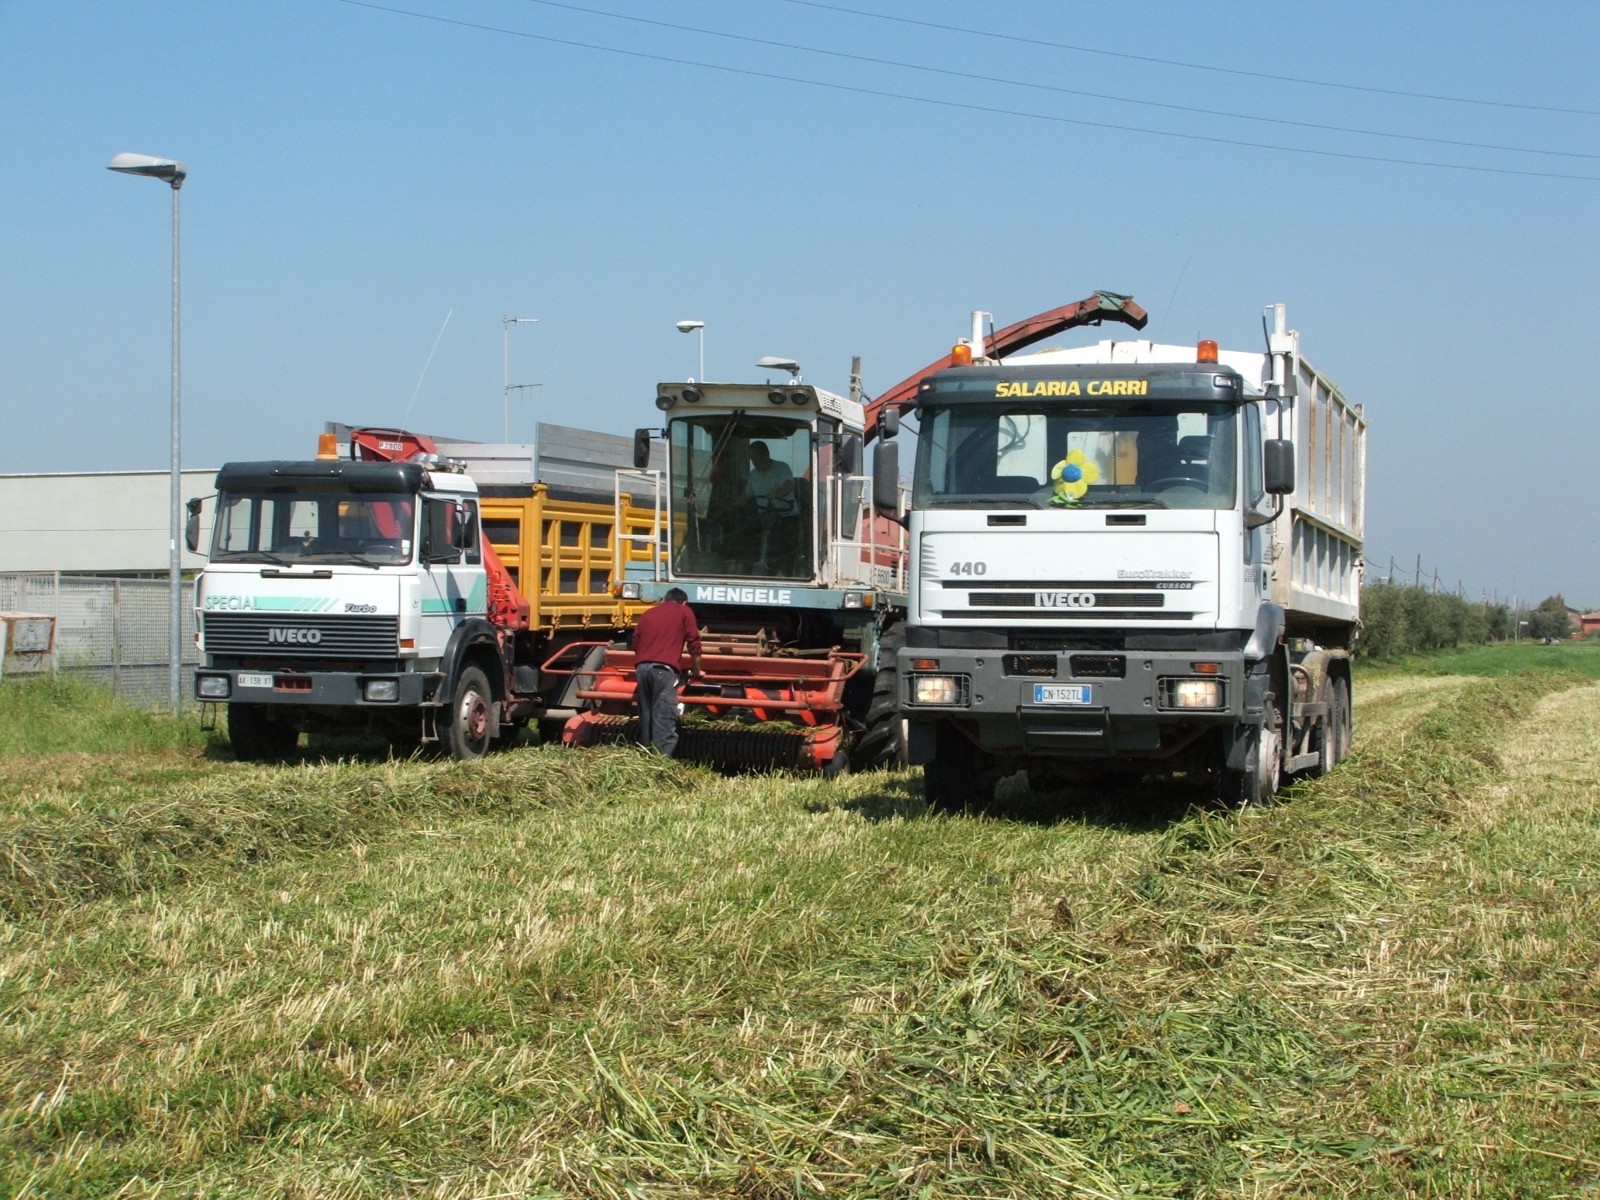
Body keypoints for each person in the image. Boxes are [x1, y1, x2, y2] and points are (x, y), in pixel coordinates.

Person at [631, 587, 704, 758]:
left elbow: (635, 642)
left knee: (646, 715)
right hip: (663, 670)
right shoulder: (685, 611)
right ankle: (660, 762)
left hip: (642, 669)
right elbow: (694, 643)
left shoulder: (648, 613)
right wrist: (697, 671)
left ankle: (645, 757)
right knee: (663, 716)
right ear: (684, 601)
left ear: (664, 599)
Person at [746, 441, 797, 570]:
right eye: (752, 459)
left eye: (757, 458)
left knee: (788, 545)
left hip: (787, 517)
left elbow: (789, 485)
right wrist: (732, 505)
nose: (754, 462)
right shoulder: (753, 475)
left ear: (766, 455)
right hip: (763, 516)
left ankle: (785, 570)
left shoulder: (782, 468)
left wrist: (775, 494)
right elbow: (747, 494)